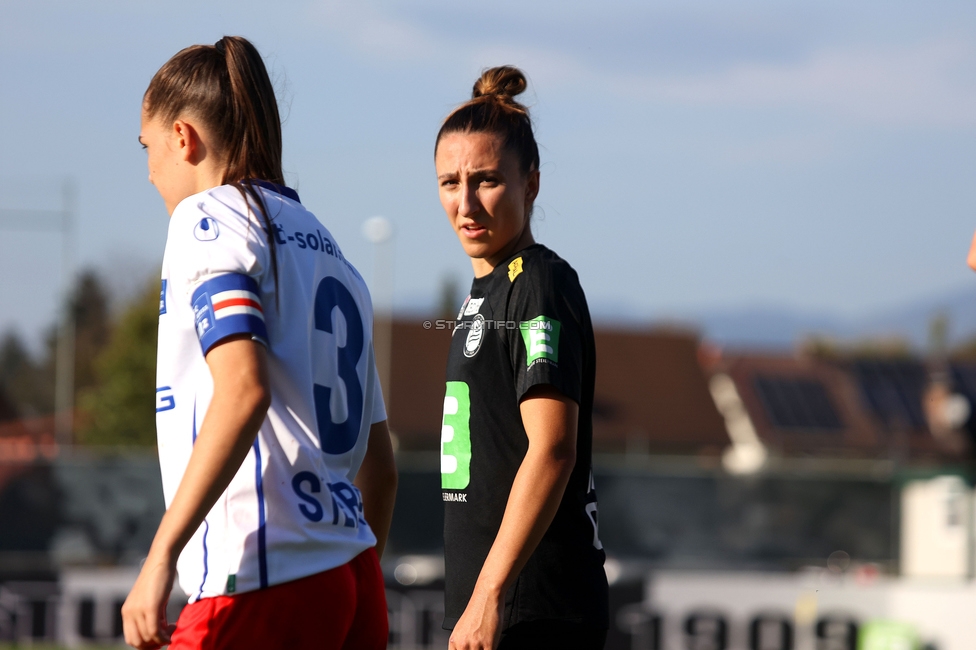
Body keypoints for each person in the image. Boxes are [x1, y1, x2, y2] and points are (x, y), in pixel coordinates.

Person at [122, 36, 397, 650]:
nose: (147, 171)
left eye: (147, 147)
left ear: (183, 138)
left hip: (263, 572)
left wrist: (160, 556)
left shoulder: (208, 221)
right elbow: (381, 470)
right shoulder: (335, 255)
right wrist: (348, 569)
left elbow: (244, 391)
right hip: (354, 578)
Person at [434, 66, 609, 650]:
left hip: (533, 612)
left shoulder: (539, 282)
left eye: (485, 180)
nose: (466, 203)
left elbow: (552, 447)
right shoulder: (485, 293)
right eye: (448, 182)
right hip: (496, 612)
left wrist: (490, 595)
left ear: (531, 183)